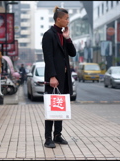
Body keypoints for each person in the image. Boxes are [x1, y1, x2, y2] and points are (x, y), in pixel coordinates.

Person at [42, 6, 76, 148]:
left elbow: (72, 53)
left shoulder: (63, 35)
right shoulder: (49, 35)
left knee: (60, 107)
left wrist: (68, 38)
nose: (68, 21)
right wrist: (52, 76)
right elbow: (48, 57)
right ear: (58, 19)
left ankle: (58, 135)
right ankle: (48, 138)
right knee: (52, 106)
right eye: (66, 18)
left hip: (65, 77)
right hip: (55, 77)